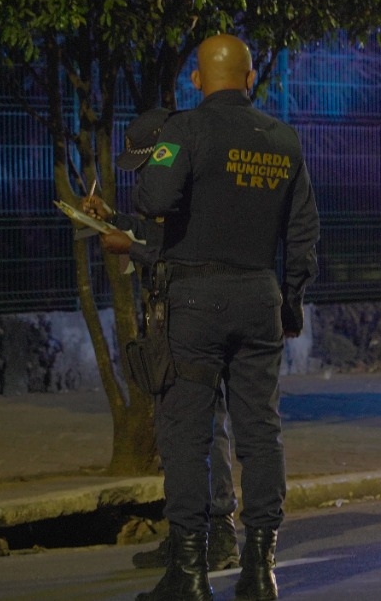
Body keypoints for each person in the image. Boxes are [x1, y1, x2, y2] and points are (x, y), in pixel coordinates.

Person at [131, 34, 320, 601]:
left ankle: (187, 574)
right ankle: (260, 571)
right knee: (261, 433)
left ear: (197, 79)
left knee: (186, 434)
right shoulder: (283, 140)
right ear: (247, 78)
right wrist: (289, 301)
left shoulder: (184, 129)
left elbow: (153, 199)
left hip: (195, 301)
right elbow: (304, 233)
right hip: (260, 298)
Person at [81, 108, 243, 573]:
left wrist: (128, 246)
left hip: (197, 319)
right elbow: (164, 232)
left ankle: (214, 536)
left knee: (203, 428)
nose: (150, 173)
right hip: (186, 316)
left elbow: (186, 250)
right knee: (186, 431)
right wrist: (113, 220)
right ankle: (191, 536)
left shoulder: (195, 179)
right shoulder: (183, 177)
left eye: (150, 161)